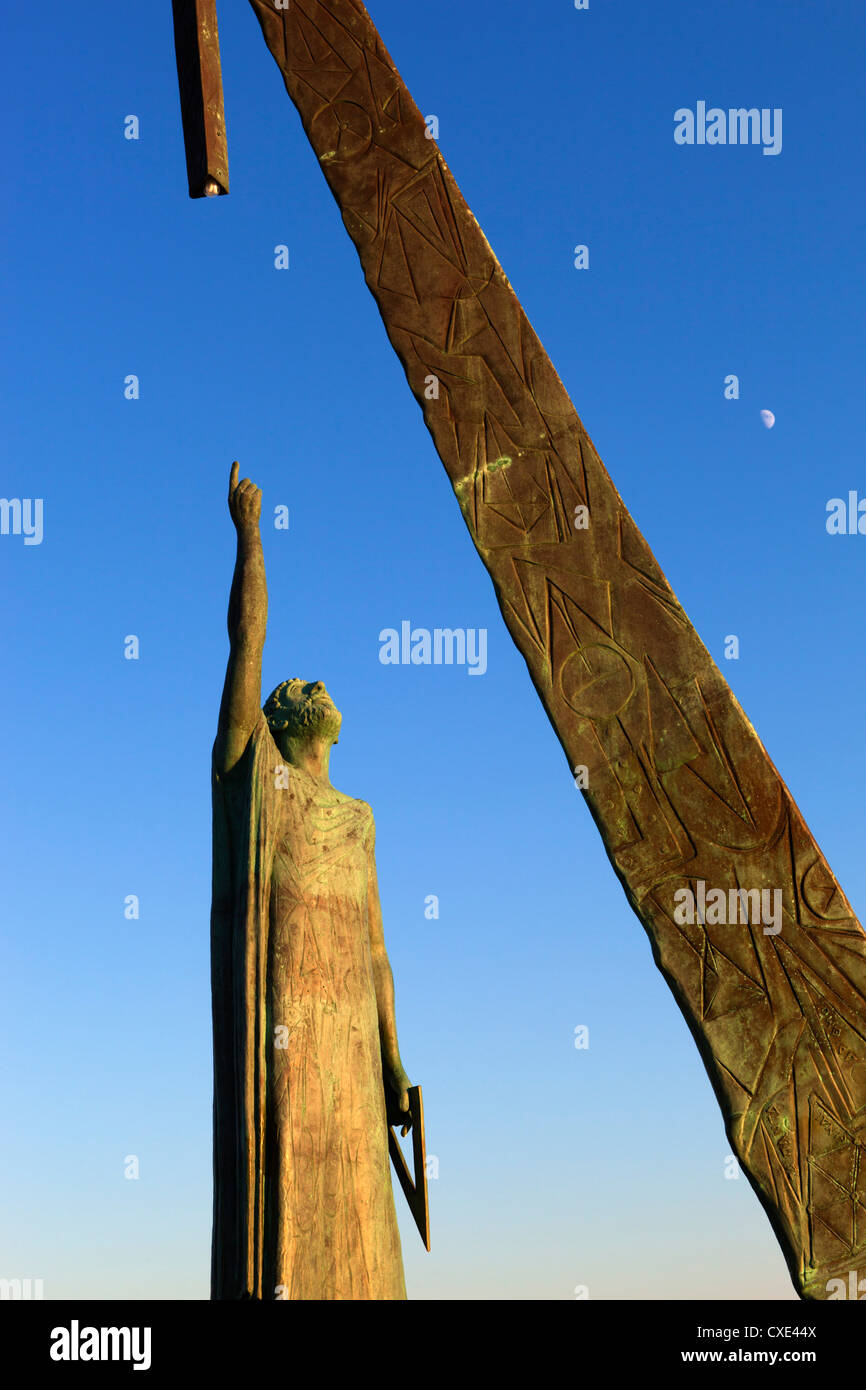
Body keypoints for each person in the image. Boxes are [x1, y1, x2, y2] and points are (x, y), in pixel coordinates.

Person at [210, 461, 411, 1299]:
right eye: (300, 687)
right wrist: (250, 537)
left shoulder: (359, 818)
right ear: (281, 720)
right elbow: (247, 645)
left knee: (361, 1242)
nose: (317, 684)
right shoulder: (253, 778)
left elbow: (376, 949)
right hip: (282, 1048)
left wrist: (394, 1062)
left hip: (352, 1065)